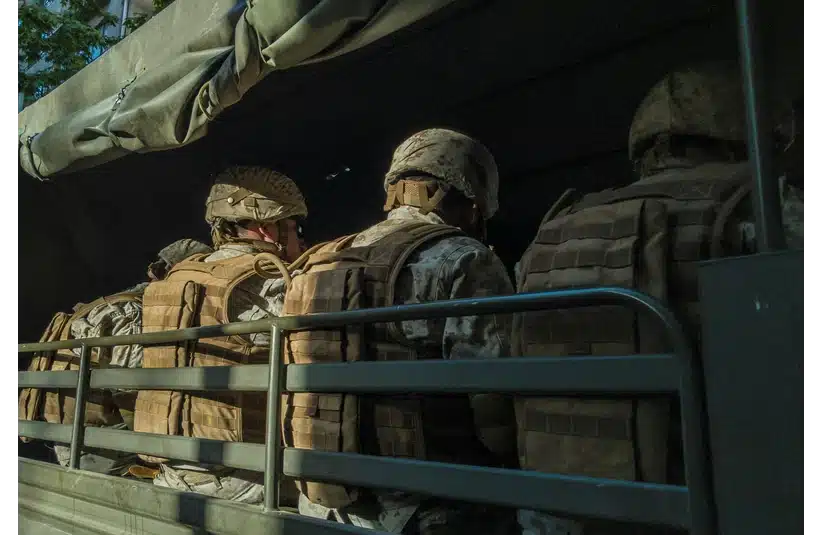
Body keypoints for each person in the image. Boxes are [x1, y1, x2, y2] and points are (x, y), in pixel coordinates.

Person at [512, 62, 808, 535]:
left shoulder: (553, 230)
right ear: (748, 134)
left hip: (562, 507)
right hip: (711, 507)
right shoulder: (764, 205)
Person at [285, 128, 518, 534]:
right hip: (428, 508)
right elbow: (494, 407)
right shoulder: (464, 258)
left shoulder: (319, 262)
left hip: (325, 502)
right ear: (468, 194)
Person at [132, 165, 310, 506]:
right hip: (241, 479)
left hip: (172, 469)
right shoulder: (267, 281)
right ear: (267, 227)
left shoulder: (178, 277)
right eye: (294, 226)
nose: (298, 236)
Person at [17, 238, 213, 476]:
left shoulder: (114, 304)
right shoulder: (132, 314)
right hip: (97, 445)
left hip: (78, 434)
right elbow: (131, 395)